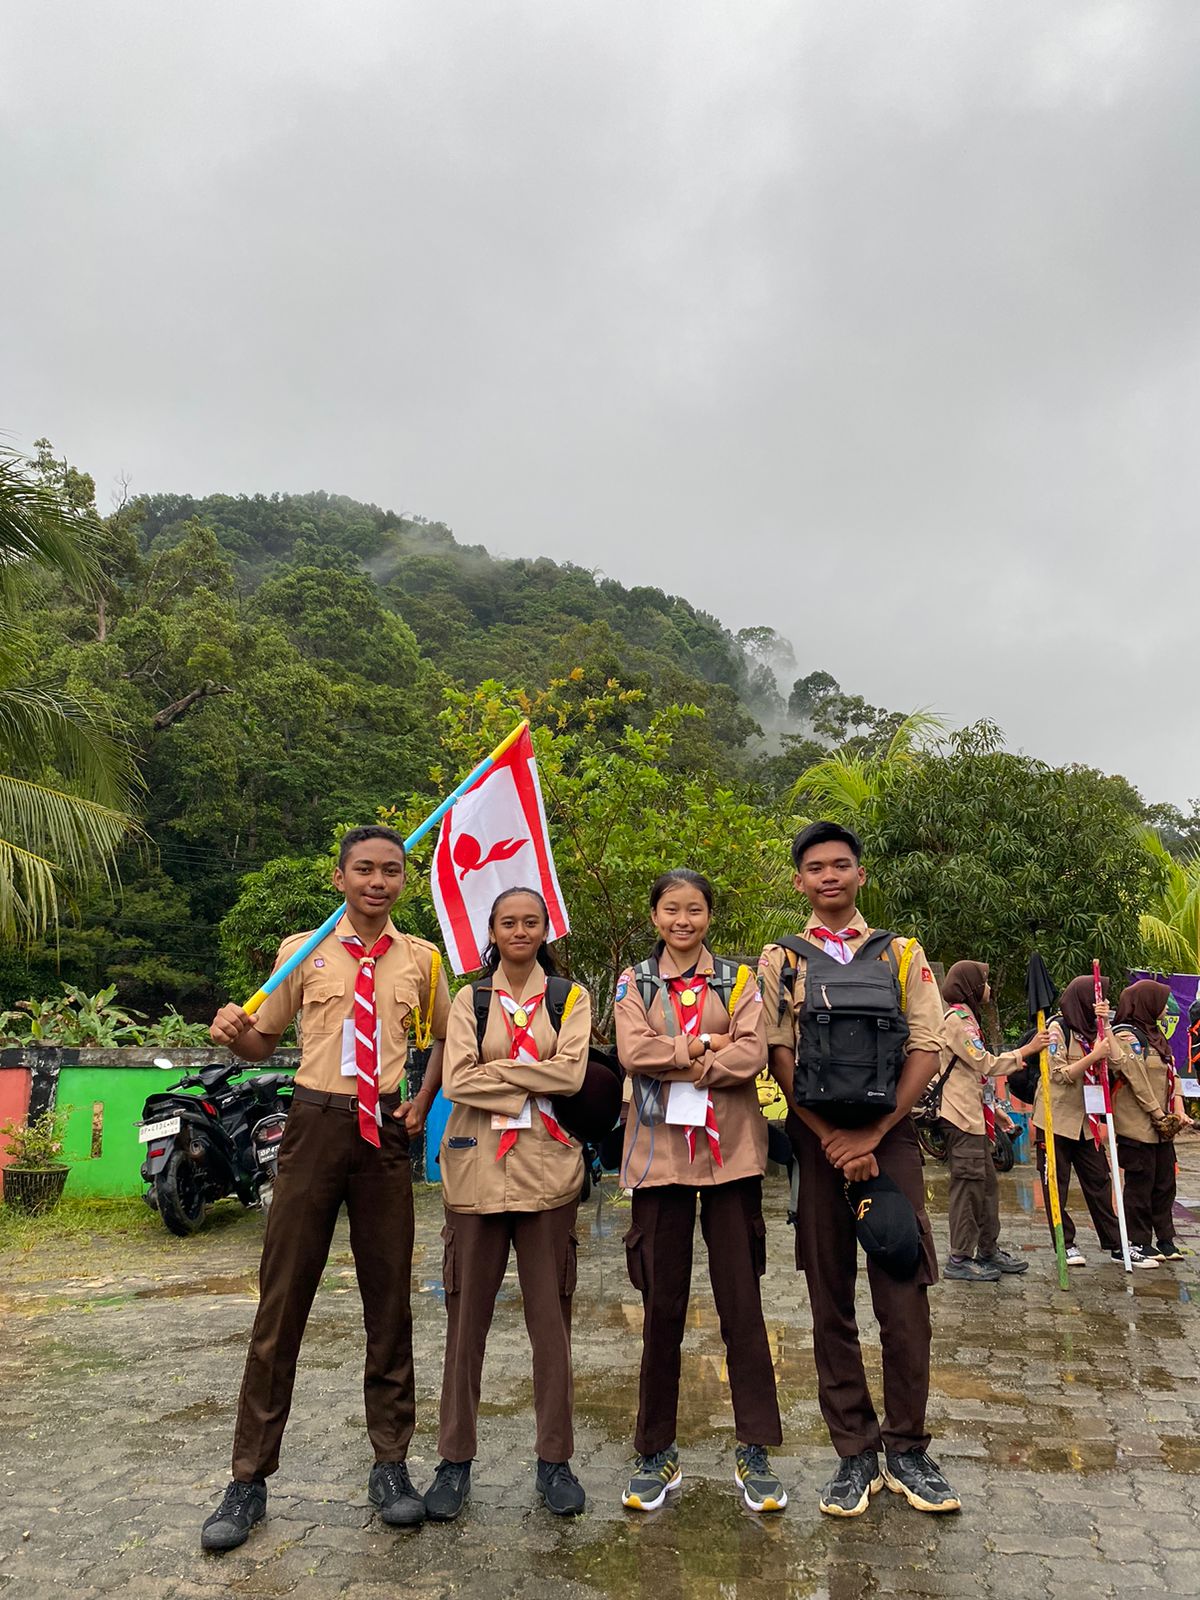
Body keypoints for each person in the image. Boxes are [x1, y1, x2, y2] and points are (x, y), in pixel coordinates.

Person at [200, 825, 451, 1551]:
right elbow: (261, 1041)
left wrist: (424, 1098)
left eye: (392, 871)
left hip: (383, 1137)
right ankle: (248, 1478)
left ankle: (391, 1465)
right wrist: (231, 1030)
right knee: (282, 1299)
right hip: (313, 1124)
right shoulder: (301, 950)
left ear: (405, 881)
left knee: (389, 1299)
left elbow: (446, 1038)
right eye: (364, 870)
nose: (378, 881)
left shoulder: (424, 962)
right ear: (339, 878)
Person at [759, 821, 959, 1519]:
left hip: (892, 1139)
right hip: (814, 1143)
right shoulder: (781, 959)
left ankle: (908, 1448)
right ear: (800, 882)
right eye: (815, 868)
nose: (829, 877)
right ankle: (854, 1453)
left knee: (904, 1289)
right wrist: (830, 1138)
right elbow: (777, 1051)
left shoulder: (903, 954)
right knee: (829, 1297)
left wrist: (873, 1132)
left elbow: (929, 1046)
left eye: (841, 865)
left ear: (860, 875)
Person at [614, 869, 785, 1515]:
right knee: (661, 1307)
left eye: (694, 909)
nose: (682, 920)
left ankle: (756, 1448)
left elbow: (753, 1056)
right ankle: (655, 1451)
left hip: (732, 1159)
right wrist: (706, 1046)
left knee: (742, 1307)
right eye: (670, 909)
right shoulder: (634, 980)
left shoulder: (739, 980)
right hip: (658, 1160)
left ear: (710, 915)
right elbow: (632, 1049)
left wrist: (681, 1055)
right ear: (655, 915)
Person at [424, 888, 591, 1522]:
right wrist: (534, 1067)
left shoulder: (568, 997)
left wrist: (502, 1071)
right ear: (491, 929)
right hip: (475, 1174)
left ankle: (555, 1462)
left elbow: (573, 1076)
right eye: (507, 921)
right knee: (466, 1327)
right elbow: (456, 1078)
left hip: (548, 1175)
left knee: (552, 1326)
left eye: (531, 921)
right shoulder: (472, 998)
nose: (520, 930)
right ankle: (453, 1463)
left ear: (547, 927)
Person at [937, 961, 1047, 1283]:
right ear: (970, 985)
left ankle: (988, 1250)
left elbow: (976, 1075)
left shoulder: (970, 1019)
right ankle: (959, 1257)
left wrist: (994, 1109)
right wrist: (1025, 1050)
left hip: (974, 1116)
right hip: (960, 1118)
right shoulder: (958, 1021)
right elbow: (983, 1062)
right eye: (984, 982)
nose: (988, 988)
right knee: (968, 1188)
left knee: (986, 1187)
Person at [1033, 975, 1123, 1269]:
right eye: (1096, 998)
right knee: (1055, 1183)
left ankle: (1115, 1242)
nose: (1100, 1003)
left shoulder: (1094, 1029)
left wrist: (1106, 1024)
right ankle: (1065, 1243)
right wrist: (1093, 1056)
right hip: (1056, 1119)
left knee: (1099, 1180)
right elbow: (1058, 1073)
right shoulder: (1057, 1028)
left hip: (1087, 1121)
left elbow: (1120, 1062)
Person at [1111, 979, 1187, 1264]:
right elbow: (1136, 1080)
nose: (1165, 1010)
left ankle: (1165, 1239)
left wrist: (1177, 1107)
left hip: (1162, 1127)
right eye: (1160, 1002)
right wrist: (1157, 1113)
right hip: (1137, 1124)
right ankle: (1139, 1241)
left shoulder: (1157, 1036)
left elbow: (1173, 1073)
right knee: (1140, 1184)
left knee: (1165, 1183)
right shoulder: (1125, 1036)